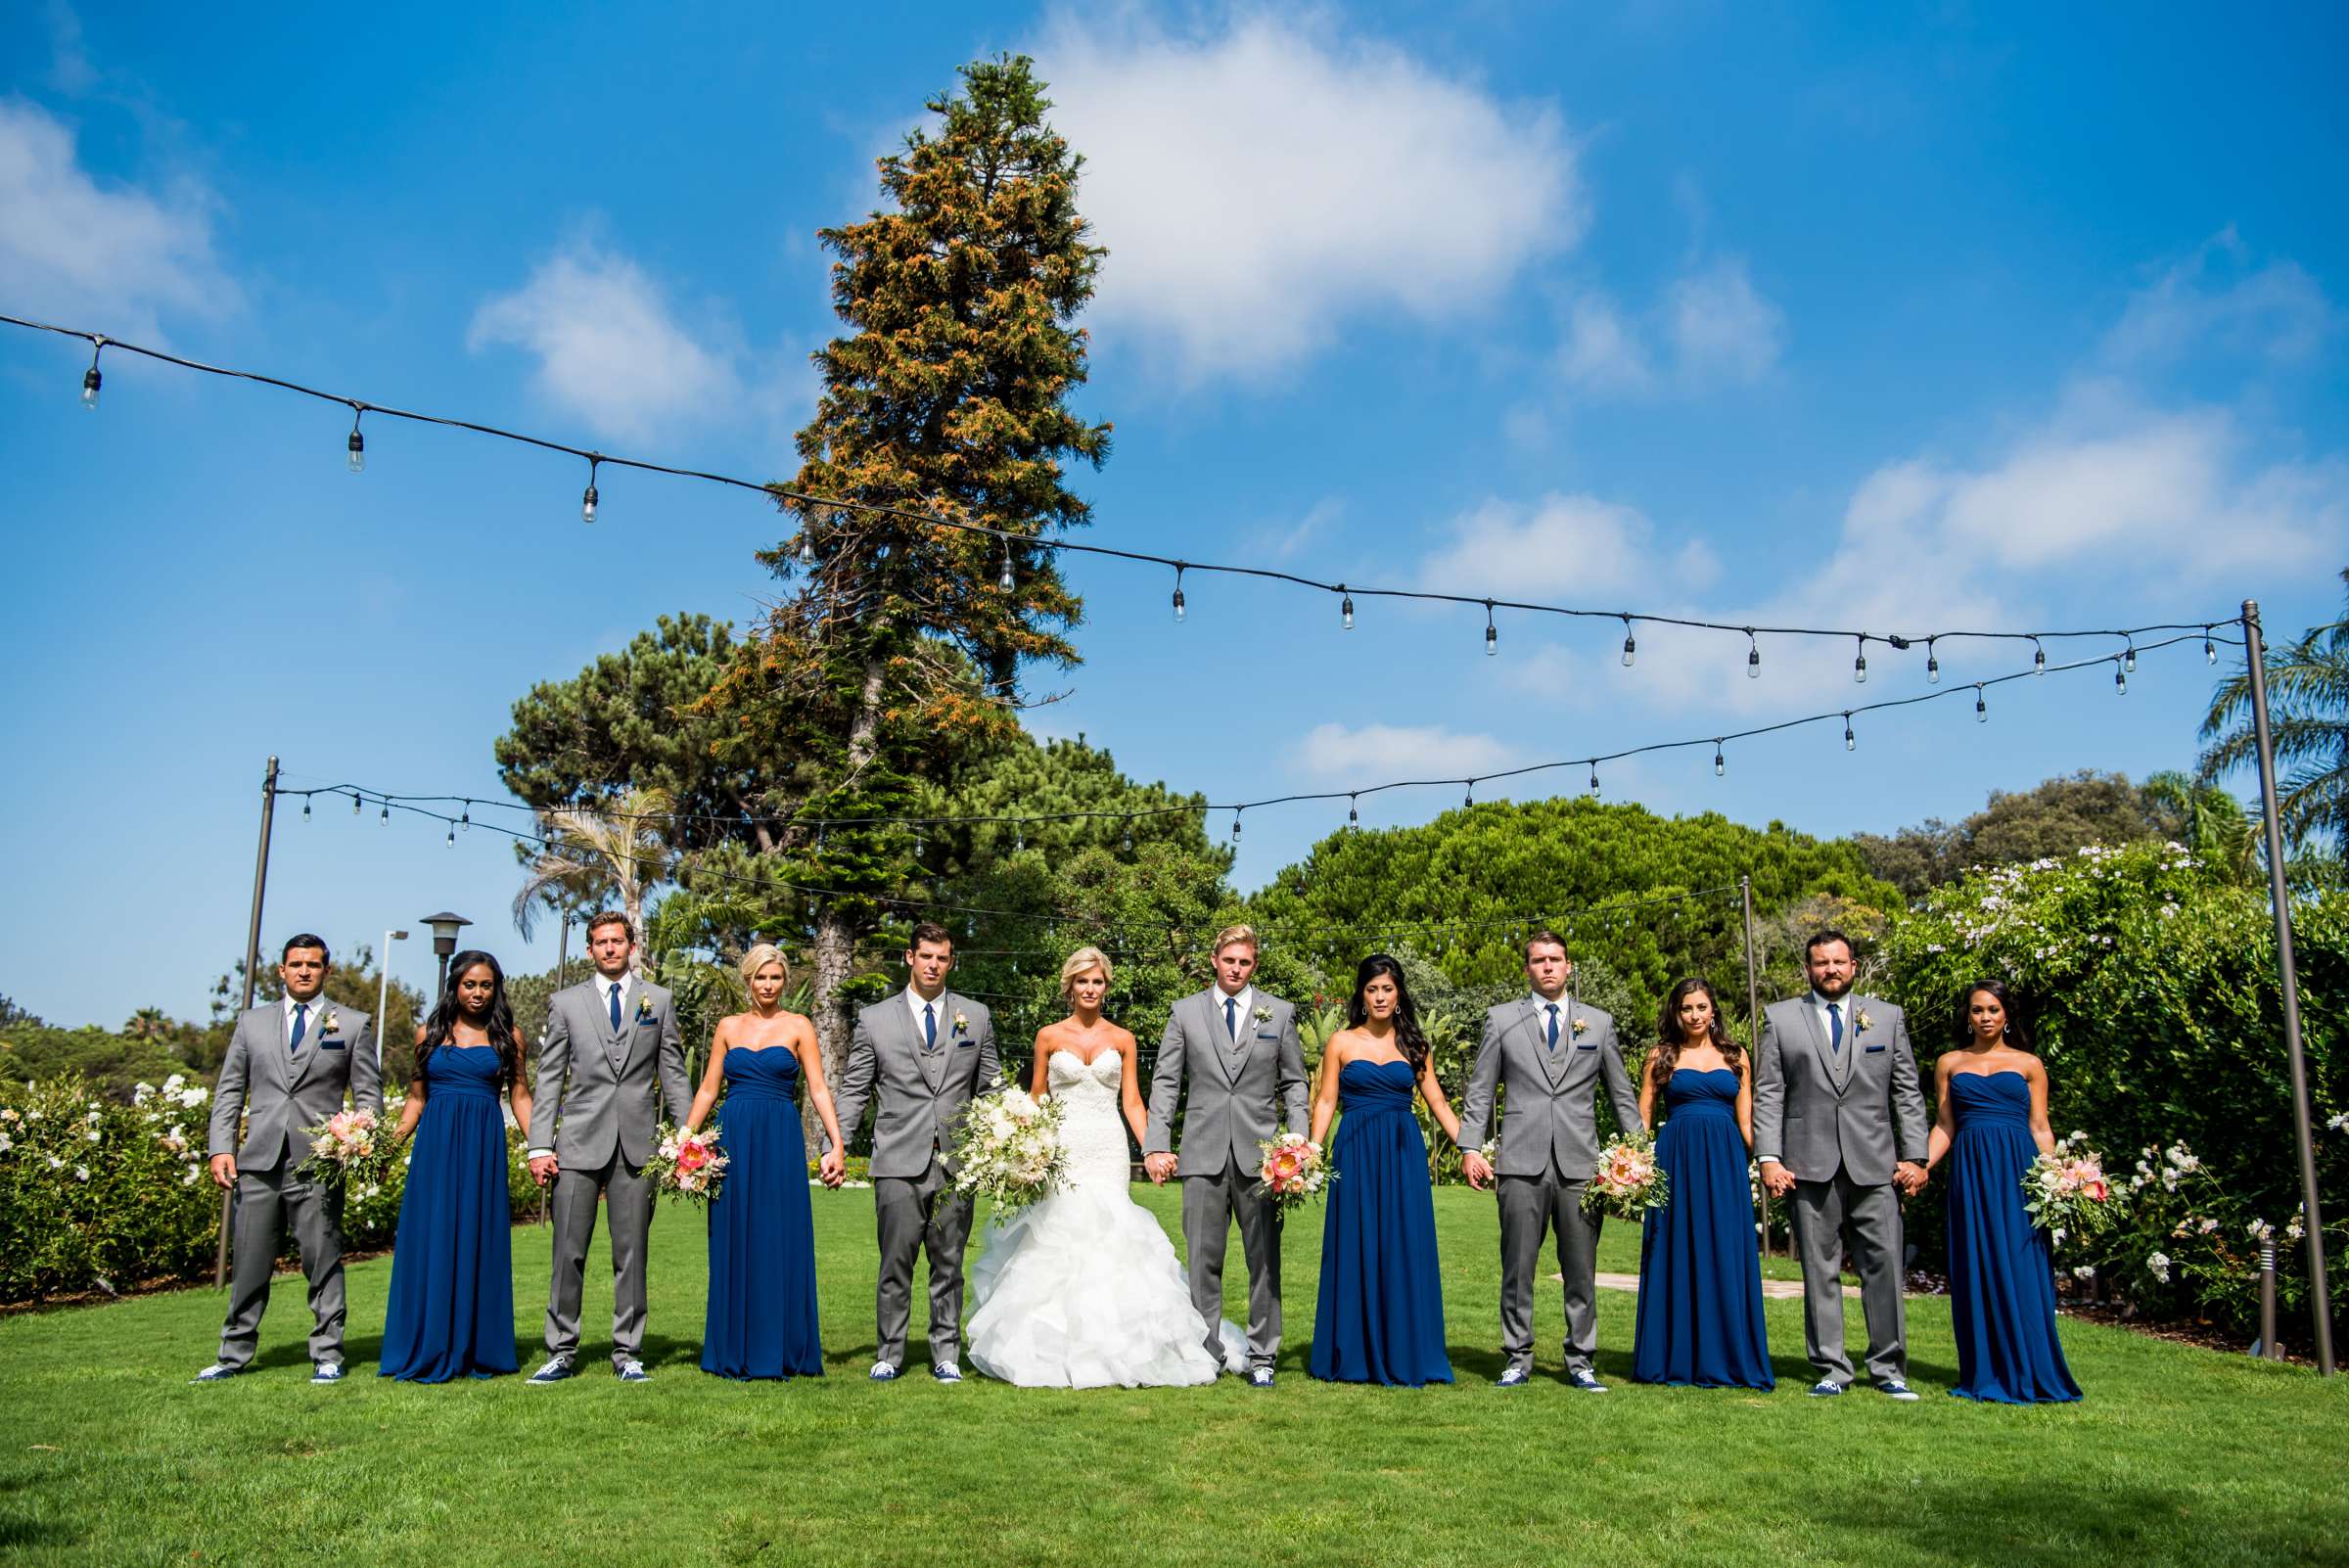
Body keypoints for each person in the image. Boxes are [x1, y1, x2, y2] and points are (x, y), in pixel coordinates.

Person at [966, 947, 1227, 1387]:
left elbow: (1132, 1102)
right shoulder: (1048, 1036)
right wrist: (1018, 1144)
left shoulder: (1122, 1039)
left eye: (1098, 982)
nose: (1091, 989)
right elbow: (1037, 1097)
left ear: (1106, 987)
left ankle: (1118, 1349)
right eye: (1083, 981)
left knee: (1111, 1237)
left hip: (1107, 1151)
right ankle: (1054, 1350)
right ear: (1070, 986)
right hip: (1061, 1151)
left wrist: (1153, 1149)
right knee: (1058, 1239)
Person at [1458, 930, 1642, 1391]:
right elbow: (1481, 1089)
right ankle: (1516, 1357)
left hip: (1581, 1165)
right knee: (1517, 1267)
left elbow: (1620, 1092)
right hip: (1520, 1162)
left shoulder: (1597, 1023)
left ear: (1568, 966)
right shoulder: (1501, 1020)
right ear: (1527, 969)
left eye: (1555, 959)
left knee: (1581, 1268)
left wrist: (1638, 1153)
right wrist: (1468, 1147)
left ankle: (1581, 1360)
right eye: (1538, 960)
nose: (1547, 967)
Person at [195, 934, 379, 1384]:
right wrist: (221, 1145)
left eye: (313, 965)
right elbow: (230, 1090)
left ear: (326, 971)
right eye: (295, 964)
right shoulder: (251, 1023)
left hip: (318, 1164)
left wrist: (356, 1138)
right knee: (250, 1264)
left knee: (323, 1260)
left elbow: (368, 1096)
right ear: (281, 970)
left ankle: (328, 1353)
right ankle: (232, 1355)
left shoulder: (351, 1024)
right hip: (257, 1163)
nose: (303, 971)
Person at [1753, 929, 1929, 1400]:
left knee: (1885, 1267)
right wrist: (1769, 1157)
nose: (1830, 970)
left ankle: (1889, 1367)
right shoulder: (1781, 1018)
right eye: (1820, 963)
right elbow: (1769, 1092)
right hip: (1808, 1165)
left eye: (1838, 962)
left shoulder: (1887, 1018)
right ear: (1808, 969)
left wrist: (1915, 1156)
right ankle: (1832, 1366)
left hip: (1876, 1165)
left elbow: (1906, 1092)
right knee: (1818, 1268)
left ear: (1854, 966)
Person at [828, 921, 1000, 1383]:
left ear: (951, 962)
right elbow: (854, 1090)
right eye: (926, 956)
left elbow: (991, 1089)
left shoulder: (976, 1016)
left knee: (949, 1265)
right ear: (910, 957)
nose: (933, 965)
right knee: (895, 1264)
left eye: (942, 958)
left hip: (957, 1162)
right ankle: (890, 1352)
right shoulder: (875, 1019)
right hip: (897, 1161)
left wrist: (1005, 1140)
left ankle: (946, 1352)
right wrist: (836, 1146)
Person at [524, 911, 690, 1384]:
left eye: (618, 941)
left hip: (638, 1148)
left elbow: (673, 1075)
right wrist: (540, 1144)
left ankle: (628, 1352)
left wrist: (683, 1141)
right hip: (577, 1142)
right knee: (568, 1252)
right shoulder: (566, 1003)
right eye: (602, 942)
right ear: (589, 949)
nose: (611, 949)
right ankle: (560, 1349)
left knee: (631, 1252)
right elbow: (550, 1076)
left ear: (631, 945)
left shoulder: (658, 1000)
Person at [1142, 924, 1310, 1389]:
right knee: (1203, 1261)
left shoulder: (1278, 1013)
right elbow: (1166, 1082)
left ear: (1254, 964)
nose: (1237, 969)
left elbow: (1295, 1083)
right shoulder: (1184, 1013)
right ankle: (1205, 1351)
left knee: (1264, 1260)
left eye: (1246, 962)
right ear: (1215, 960)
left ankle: (1263, 1356)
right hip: (1201, 1153)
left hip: (1264, 1161)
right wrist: (1158, 1143)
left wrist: (1298, 1141)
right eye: (1230, 960)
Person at [686, 944, 844, 1381]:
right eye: (760, 977)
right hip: (733, 1136)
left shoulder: (799, 1026)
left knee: (779, 1237)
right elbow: (707, 1090)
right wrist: (684, 1140)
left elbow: (817, 1089)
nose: (768, 985)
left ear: (784, 981)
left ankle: (783, 1349)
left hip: (778, 1139)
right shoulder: (727, 1027)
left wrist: (837, 1142)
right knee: (734, 1236)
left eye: (775, 978)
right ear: (748, 979)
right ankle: (732, 1348)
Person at [1307, 954, 1461, 1386]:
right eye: (1372, 989)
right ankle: (1352, 1352)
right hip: (1354, 1152)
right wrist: (1309, 1155)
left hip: (1401, 1154)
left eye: (1387, 989)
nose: (1379, 996)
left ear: (1398, 994)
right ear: (1362, 993)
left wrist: (1470, 1150)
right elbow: (1325, 1102)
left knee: (1402, 1243)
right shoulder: (1340, 1041)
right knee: (1356, 1242)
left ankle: (1405, 1348)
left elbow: (1439, 1104)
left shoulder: (1415, 1045)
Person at [1925, 980, 2082, 1404]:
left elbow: (2040, 1127)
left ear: (2006, 1014)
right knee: (1977, 1265)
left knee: (2022, 1266)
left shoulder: (2030, 1064)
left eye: (1993, 1009)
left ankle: (2033, 1369)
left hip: (2019, 1173)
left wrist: (2060, 1179)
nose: (1986, 1017)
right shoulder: (1949, 1063)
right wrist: (1920, 1165)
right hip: (1972, 1175)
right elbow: (1944, 1125)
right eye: (1977, 1010)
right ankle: (1986, 1371)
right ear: (1968, 1016)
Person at [379, 951, 530, 1382]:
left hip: (482, 1149)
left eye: (486, 985)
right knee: (431, 1238)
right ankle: (426, 1343)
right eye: (469, 984)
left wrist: (542, 1147)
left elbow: (520, 1097)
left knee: (477, 1238)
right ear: (455, 987)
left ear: (496, 988)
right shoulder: (428, 1033)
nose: (478, 993)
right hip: (435, 1151)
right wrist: (385, 1148)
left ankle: (476, 1345)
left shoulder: (509, 1037)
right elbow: (415, 1099)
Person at [1630, 978, 1773, 1390]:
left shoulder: (1737, 1056)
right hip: (1675, 1159)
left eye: (1701, 1007)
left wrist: (1768, 1161)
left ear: (1714, 1011)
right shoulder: (1661, 1055)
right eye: (1687, 1008)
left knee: (1723, 1249)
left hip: (1725, 1162)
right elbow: (1644, 1115)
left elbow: (1747, 1122)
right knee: (1674, 1251)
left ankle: (1727, 1356)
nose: (1695, 1015)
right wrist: (1633, 1166)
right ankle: (1673, 1357)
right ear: (1676, 1013)